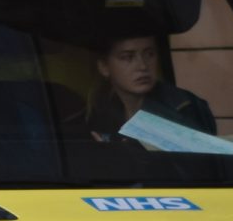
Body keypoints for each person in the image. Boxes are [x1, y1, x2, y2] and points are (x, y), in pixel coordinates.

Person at [86, 14, 215, 139]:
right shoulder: (100, 110)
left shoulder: (184, 108)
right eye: (128, 57)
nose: (142, 66)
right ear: (104, 67)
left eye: (149, 54)